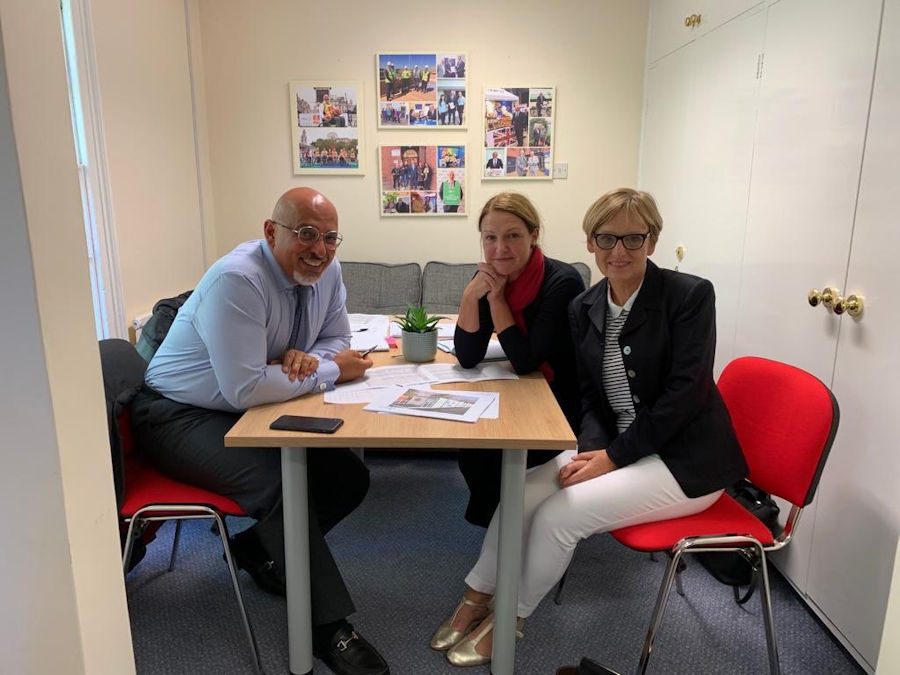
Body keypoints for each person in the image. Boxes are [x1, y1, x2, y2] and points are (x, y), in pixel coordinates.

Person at [430, 188, 747, 668]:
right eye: (606, 238)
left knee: (561, 516)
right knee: (520, 491)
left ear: (653, 242)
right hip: (617, 448)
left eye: (632, 239)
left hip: (685, 461)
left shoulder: (689, 296)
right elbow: (591, 397)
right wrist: (596, 451)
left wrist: (612, 459)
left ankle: (510, 619)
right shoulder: (587, 306)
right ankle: (476, 596)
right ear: (590, 244)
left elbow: (685, 397)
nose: (618, 252)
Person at [132, 188, 390, 675]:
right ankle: (327, 629)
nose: (320, 249)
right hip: (175, 414)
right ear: (271, 232)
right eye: (307, 235)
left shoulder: (328, 271)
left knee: (347, 477)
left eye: (330, 238)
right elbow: (247, 386)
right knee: (281, 486)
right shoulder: (238, 279)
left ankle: (254, 548)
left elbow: (337, 337)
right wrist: (330, 371)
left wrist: (308, 358)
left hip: (243, 406)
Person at [450, 192, 585, 531]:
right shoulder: (487, 278)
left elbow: (526, 360)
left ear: (534, 235)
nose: (500, 249)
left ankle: (503, 535)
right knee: (471, 446)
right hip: (521, 393)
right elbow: (467, 356)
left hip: (561, 403)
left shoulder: (562, 281)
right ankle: (500, 529)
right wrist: (470, 295)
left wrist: (496, 300)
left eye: (513, 236)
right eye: (490, 238)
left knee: (489, 453)